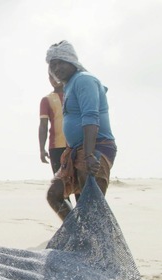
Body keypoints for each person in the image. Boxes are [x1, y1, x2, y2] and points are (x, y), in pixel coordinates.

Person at [45, 40, 117, 221]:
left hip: (96, 147)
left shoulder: (84, 80)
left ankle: (95, 242)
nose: (57, 68)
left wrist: (89, 154)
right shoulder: (69, 85)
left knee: (90, 203)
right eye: (52, 65)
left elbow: (91, 117)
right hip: (76, 150)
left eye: (61, 62)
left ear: (71, 61)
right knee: (54, 194)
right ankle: (77, 233)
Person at [39, 74, 67, 175]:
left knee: (79, 186)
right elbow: (43, 125)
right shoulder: (46, 100)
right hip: (56, 147)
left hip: (75, 145)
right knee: (59, 184)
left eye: (56, 76)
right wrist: (42, 149)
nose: (54, 80)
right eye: (51, 77)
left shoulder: (73, 95)